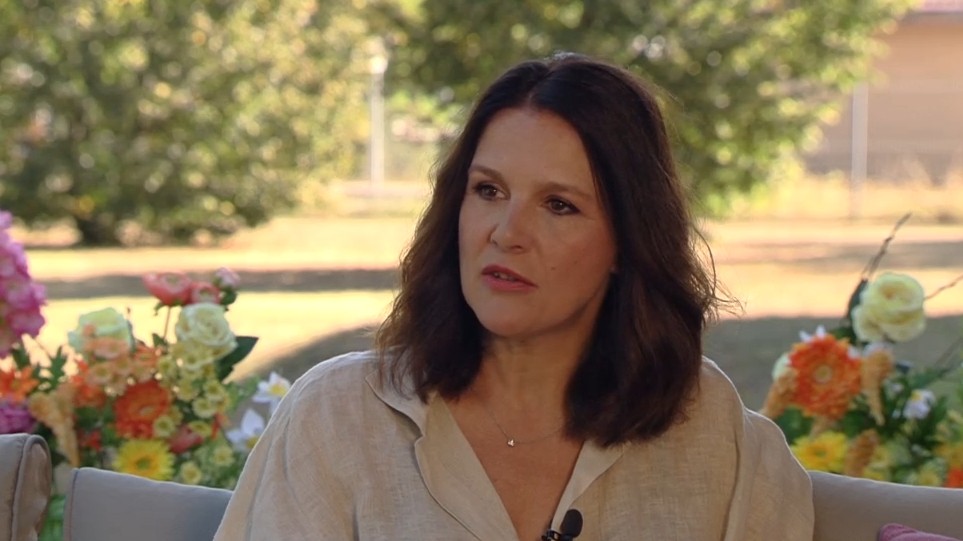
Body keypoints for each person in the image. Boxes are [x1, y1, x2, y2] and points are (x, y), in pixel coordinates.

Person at [213, 53, 814, 540]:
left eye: (559, 205)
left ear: (628, 242)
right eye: (489, 191)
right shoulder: (337, 417)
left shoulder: (713, 433)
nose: (507, 233)